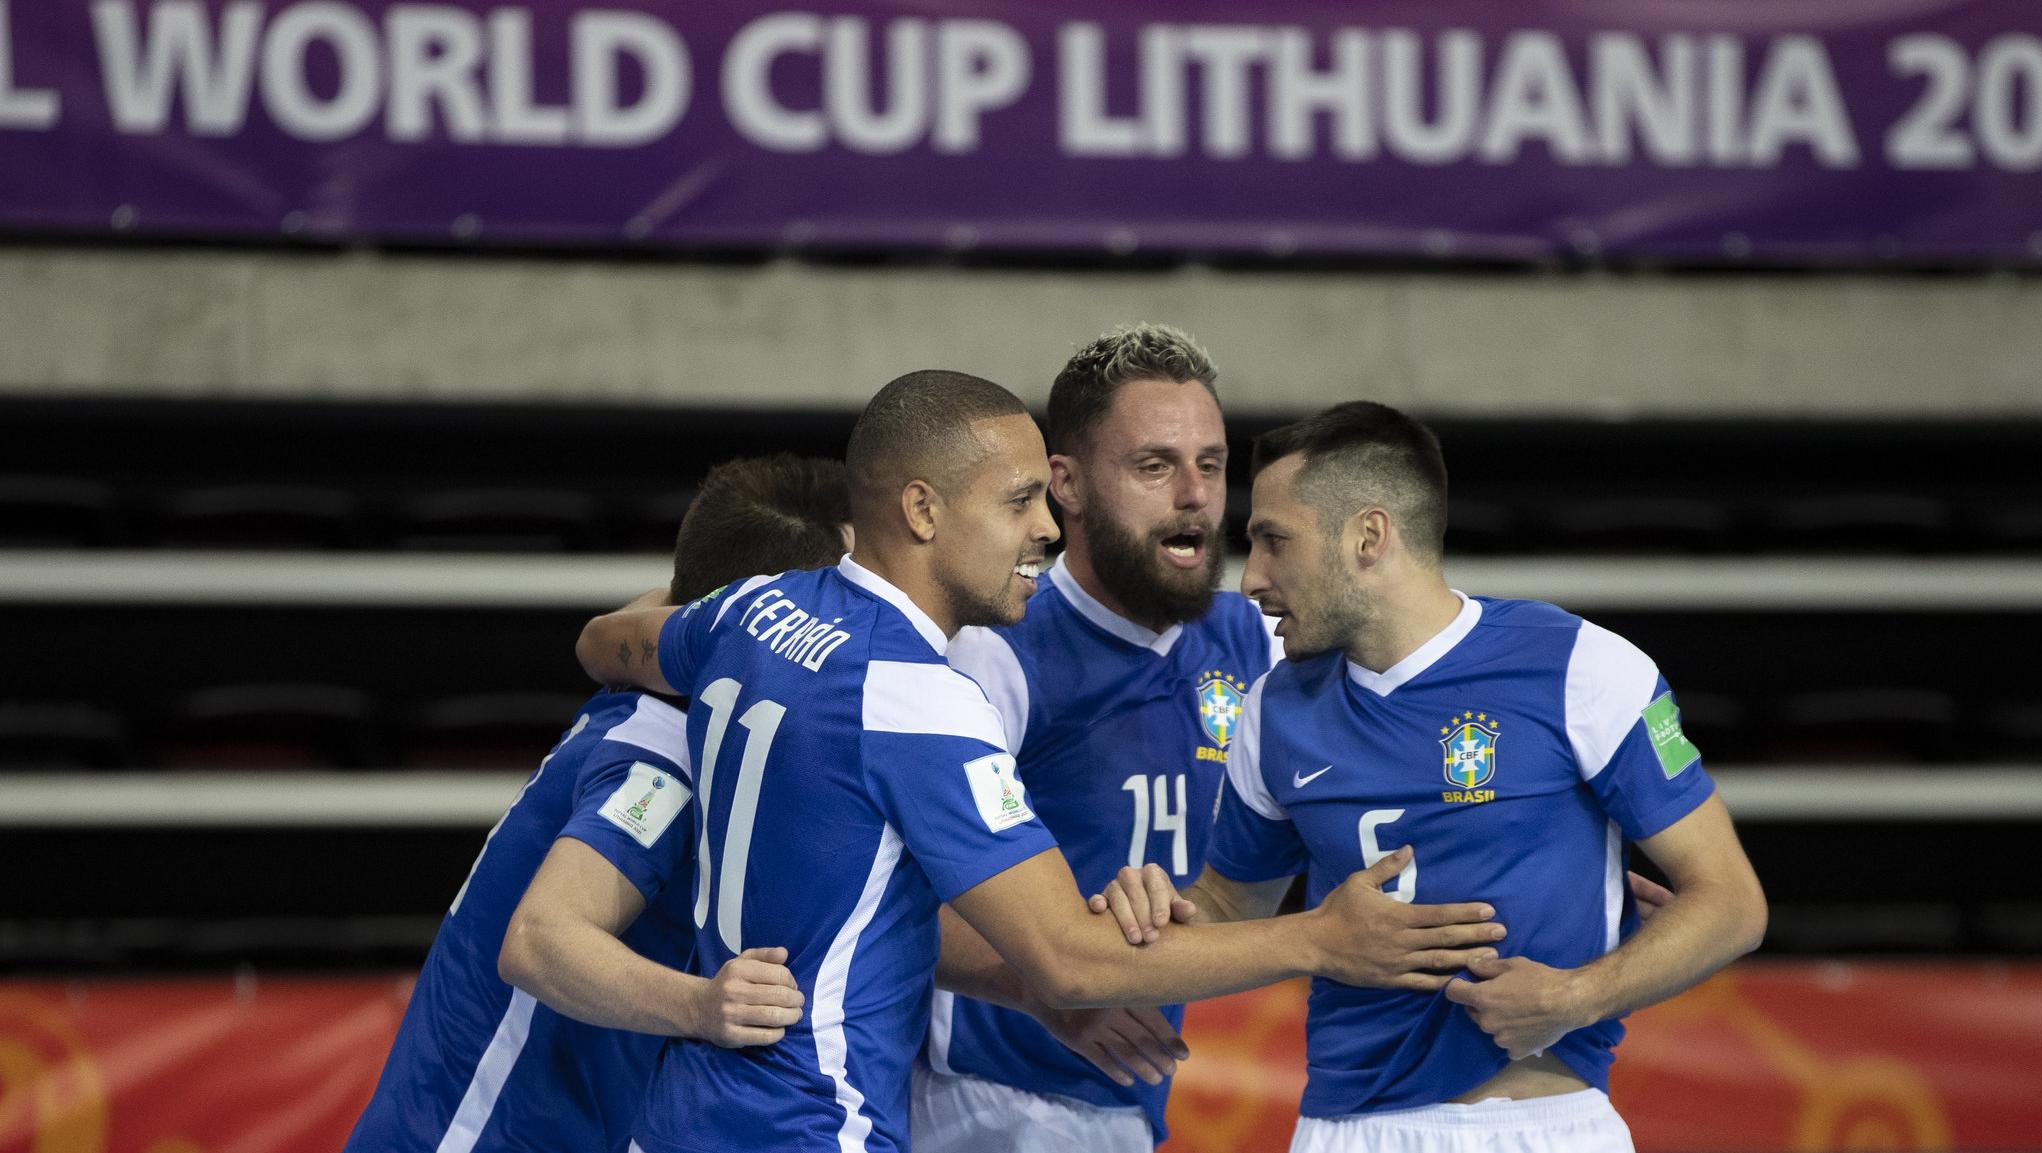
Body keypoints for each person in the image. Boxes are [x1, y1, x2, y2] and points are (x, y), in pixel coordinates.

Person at [569, 371, 1481, 1153]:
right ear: (922, 509)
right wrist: (1319, 939)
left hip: (685, 1111)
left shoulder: (754, 612)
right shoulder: (920, 697)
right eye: (1018, 501)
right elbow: (1067, 962)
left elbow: (611, 644)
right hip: (821, 1116)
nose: (1046, 527)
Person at [1095, 401, 1768, 1153]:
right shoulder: (1272, 708)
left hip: (1543, 1124)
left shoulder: (1582, 666)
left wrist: (1575, 998)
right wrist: (1148, 916)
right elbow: (1225, 905)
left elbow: (1732, 901)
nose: (1250, 578)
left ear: (1368, 536)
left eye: (1272, 541)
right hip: (1346, 1129)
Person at [920, 326, 1507, 1153]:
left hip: (1125, 1093)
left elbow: (1408, 770)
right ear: (1069, 484)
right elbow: (895, 892)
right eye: (1153, 466)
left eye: (1211, 462)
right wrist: (1043, 988)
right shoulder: (995, 650)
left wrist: (1545, 839)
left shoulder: (1263, 642)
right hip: (980, 1093)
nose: (1193, 493)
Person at [343, 453, 849, 1153]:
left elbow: (649, 606)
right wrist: (702, 1005)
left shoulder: (669, 675)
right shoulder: (667, 754)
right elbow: (538, 939)